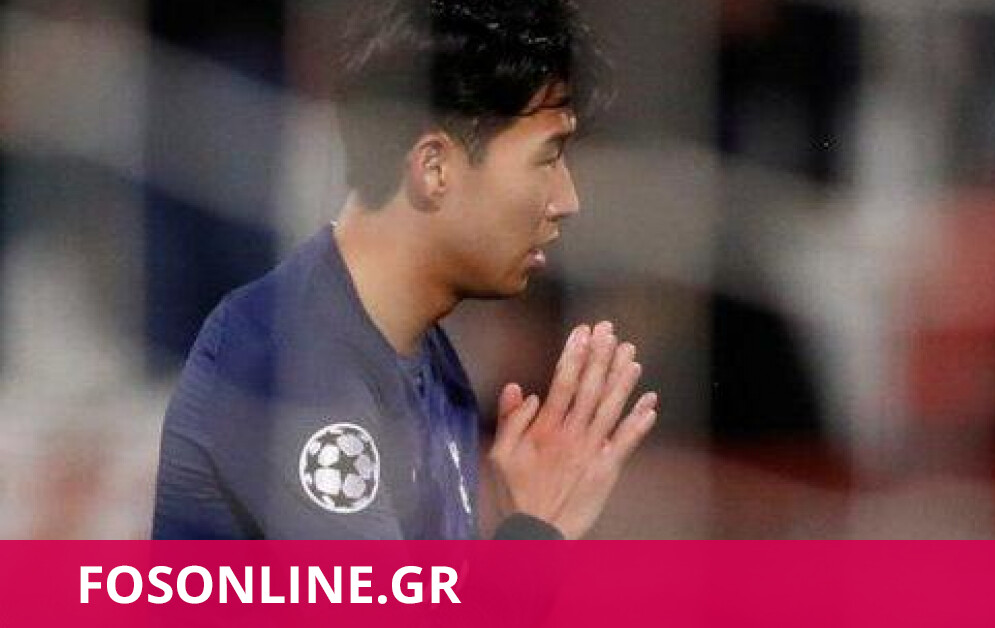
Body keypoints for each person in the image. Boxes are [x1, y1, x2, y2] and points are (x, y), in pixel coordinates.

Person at [151, 0, 658, 540]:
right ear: (433, 168)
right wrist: (537, 532)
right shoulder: (287, 353)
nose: (567, 200)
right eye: (547, 158)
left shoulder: (437, 371)